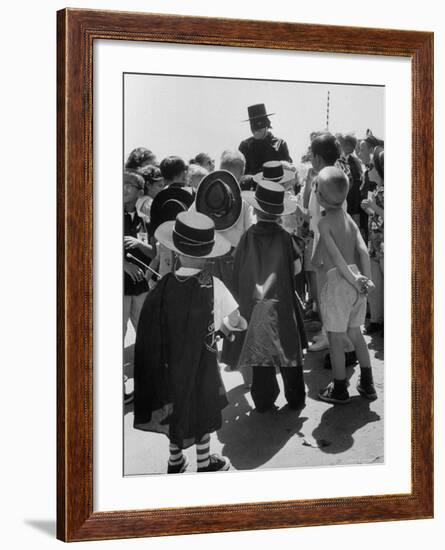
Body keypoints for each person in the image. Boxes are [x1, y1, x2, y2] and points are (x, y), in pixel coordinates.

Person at [133, 211, 246, 473]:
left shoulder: (162, 286)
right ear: (208, 255)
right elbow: (236, 318)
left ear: (176, 252)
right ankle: (205, 462)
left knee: (175, 409)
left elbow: (149, 325)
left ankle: (175, 461)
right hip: (202, 367)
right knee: (201, 410)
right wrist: (228, 327)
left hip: (169, 366)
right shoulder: (213, 284)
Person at [231, 177, 307, 412]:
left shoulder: (247, 237)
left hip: (254, 304)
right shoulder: (286, 237)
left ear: (254, 209)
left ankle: (264, 400)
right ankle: (295, 399)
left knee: (260, 353)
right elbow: (297, 269)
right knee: (289, 351)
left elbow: (237, 270)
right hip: (281, 300)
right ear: (279, 214)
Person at [314, 167, 377, 404]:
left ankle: (339, 387)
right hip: (358, 281)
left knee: (335, 337)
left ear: (319, 196)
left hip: (340, 282)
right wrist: (364, 279)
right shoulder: (348, 218)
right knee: (355, 333)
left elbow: (335, 256)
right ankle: (368, 383)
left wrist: (352, 279)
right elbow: (361, 249)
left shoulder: (323, 223)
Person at [123, 171, 156, 404]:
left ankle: (148, 383)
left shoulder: (145, 218)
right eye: (121, 184)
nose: (123, 188)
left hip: (141, 286)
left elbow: (155, 251)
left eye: (129, 185)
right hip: (120, 287)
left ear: (140, 191)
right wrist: (124, 264)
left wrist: (139, 244)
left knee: (147, 334)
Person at [148, 156, 195, 277]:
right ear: (183, 173)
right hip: (189, 250)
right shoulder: (192, 192)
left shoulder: (158, 197)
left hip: (165, 249)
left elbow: (154, 233)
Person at [238, 103, 292, 186]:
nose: (255, 130)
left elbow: (288, 172)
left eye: (258, 125)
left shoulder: (280, 144)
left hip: (274, 191)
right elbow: (239, 173)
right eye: (252, 125)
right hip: (249, 191)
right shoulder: (245, 146)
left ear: (266, 124)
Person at [361, 147, 384, 334]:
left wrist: (374, 207)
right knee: (375, 284)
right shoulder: (377, 190)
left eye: (371, 167)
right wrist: (370, 209)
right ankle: (376, 319)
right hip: (375, 244)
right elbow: (378, 217)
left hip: (384, 244)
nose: (368, 170)